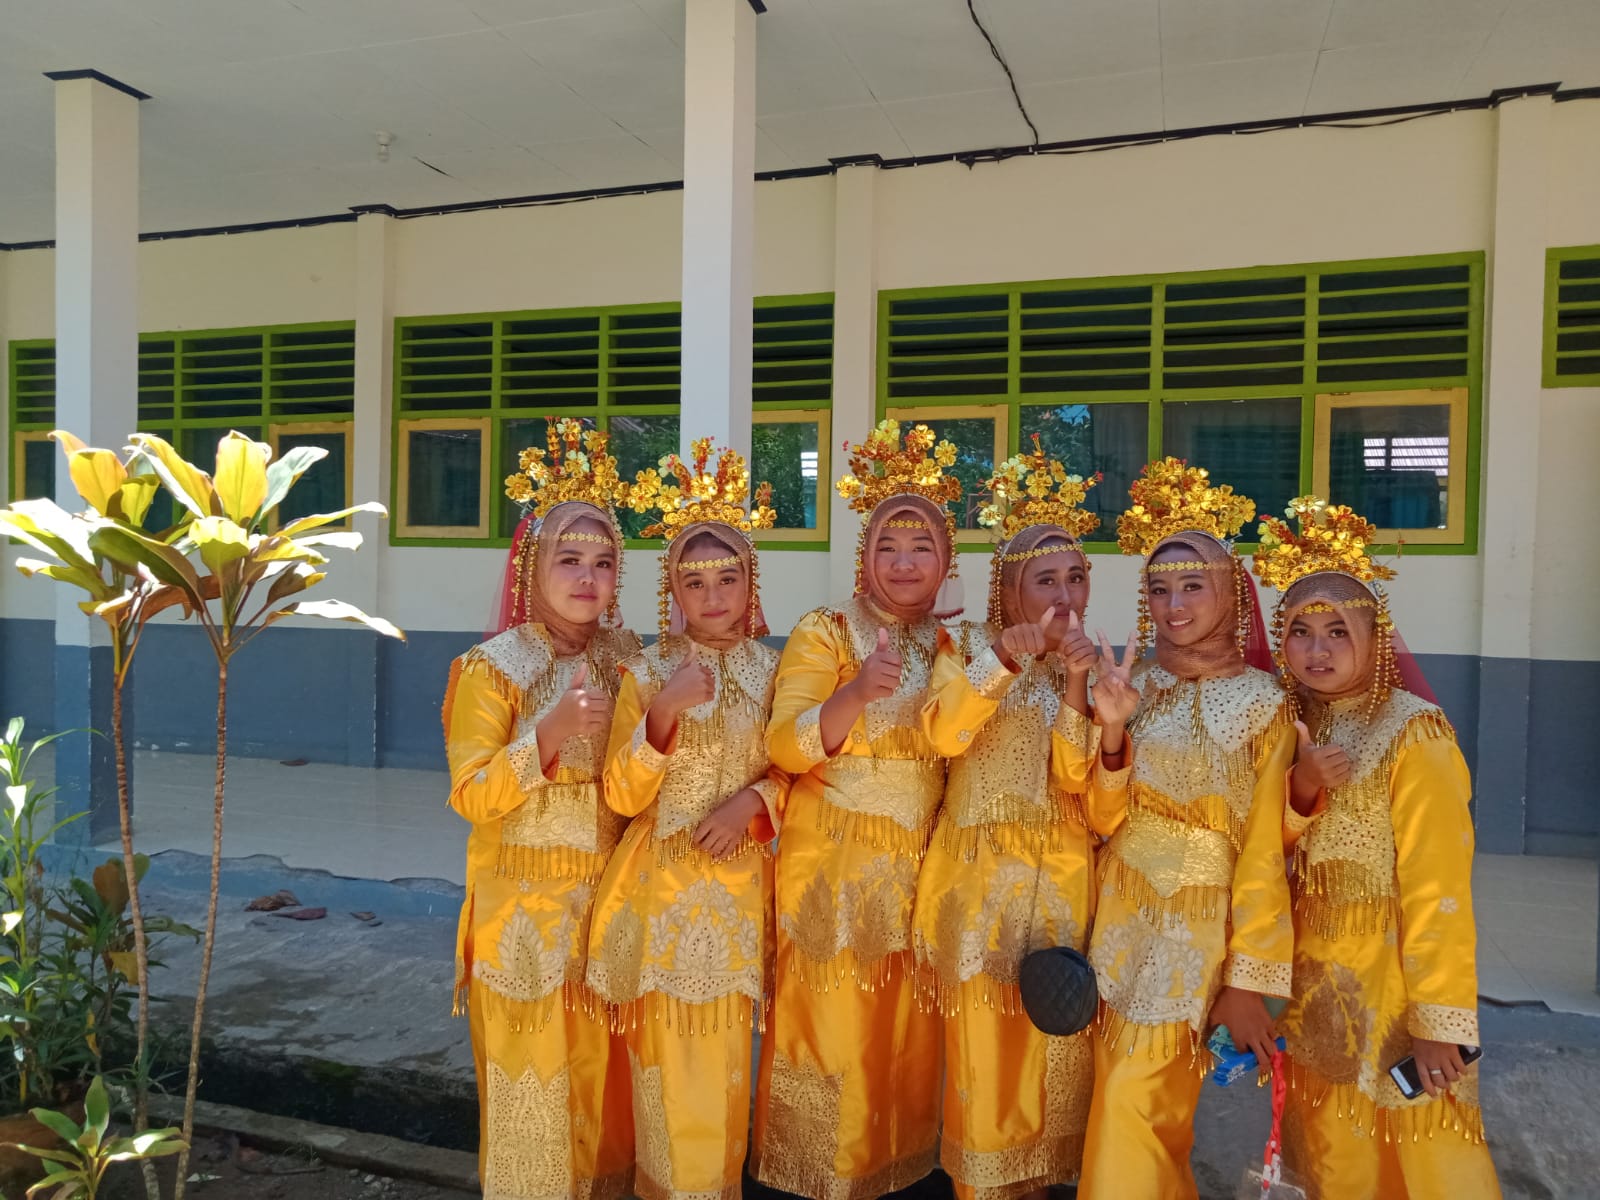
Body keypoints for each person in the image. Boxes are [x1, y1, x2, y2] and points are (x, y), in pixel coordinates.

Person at [1254, 496, 1502, 1200]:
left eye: (1338, 630)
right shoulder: (1288, 723)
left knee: (1420, 1157)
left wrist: (1439, 1022)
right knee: (1334, 1154)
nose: (1318, 649)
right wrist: (1300, 789)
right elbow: (1261, 853)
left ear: (1375, 635)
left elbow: (1440, 887)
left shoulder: (1413, 731)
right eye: (1300, 631)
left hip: (1391, 990)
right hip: (1310, 987)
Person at [912, 443, 1134, 1200]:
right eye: (1046, 580)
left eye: (1076, 578)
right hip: (976, 882)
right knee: (984, 1052)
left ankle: (1041, 1184)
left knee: (1055, 1043)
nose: (1065, 596)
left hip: (1063, 879)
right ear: (1009, 588)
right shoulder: (964, 646)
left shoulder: (1098, 667)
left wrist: (1079, 688)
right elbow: (943, 735)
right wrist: (1005, 658)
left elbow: (1082, 786)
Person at [751, 418, 961, 1200]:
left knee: (902, 1035)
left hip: (919, 864)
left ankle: (891, 1174)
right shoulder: (826, 630)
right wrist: (853, 694)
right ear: (863, 557)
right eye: (888, 547)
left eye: (922, 548)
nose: (905, 564)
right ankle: (809, 1180)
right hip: (832, 859)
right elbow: (786, 745)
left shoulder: (954, 645)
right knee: (831, 1027)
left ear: (947, 562)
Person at [1077, 458, 1296, 1200]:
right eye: (1159, 590)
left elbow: (1268, 850)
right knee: (1131, 1100)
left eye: (1192, 586)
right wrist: (1110, 734)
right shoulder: (1142, 687)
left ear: (1231, 592)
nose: (1174, 606)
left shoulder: (1267, 704)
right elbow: (1104, 818)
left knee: (1135, 1098)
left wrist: (1248, 981)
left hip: (1202, 927)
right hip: (1121, 915)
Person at [442, 418, 639, 1200]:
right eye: (569, 559)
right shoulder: (492, 670)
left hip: (606, 903)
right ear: (531, 566)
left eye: (602, 562)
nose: (587, 577)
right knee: (530, 1088)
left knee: (603, 1084)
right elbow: (472, 795)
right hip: (520, 911)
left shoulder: (629, 660)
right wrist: (546, 735)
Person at [587, 442, 788, 1200]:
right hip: (662, 896)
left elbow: (806, 771)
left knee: (728, 1064)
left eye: (728, 578)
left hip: (740, 894)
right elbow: (621, 794)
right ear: (673, 589)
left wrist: (755, 803)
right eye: (694, 581)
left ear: (750, 583)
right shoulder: (643, 669)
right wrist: (662, 715)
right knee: (665, 1064)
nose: (713, 595)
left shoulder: (778, 671)